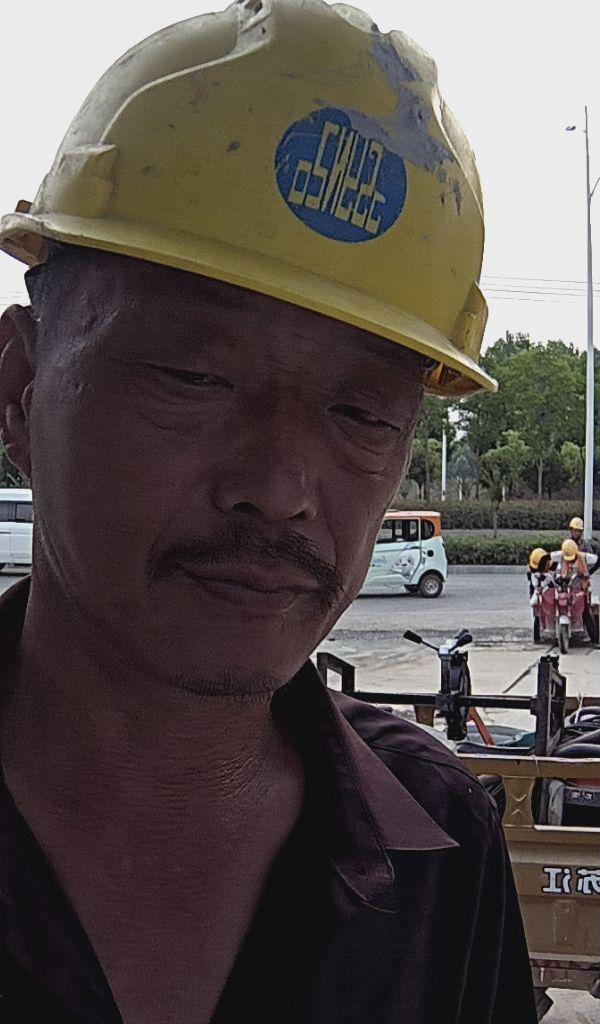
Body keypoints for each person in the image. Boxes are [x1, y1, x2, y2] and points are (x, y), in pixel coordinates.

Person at [0, 2, 537, 1022]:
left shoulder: (443, 850)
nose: (281, 486)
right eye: (193, 376)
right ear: (20, 389)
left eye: (360, 413)